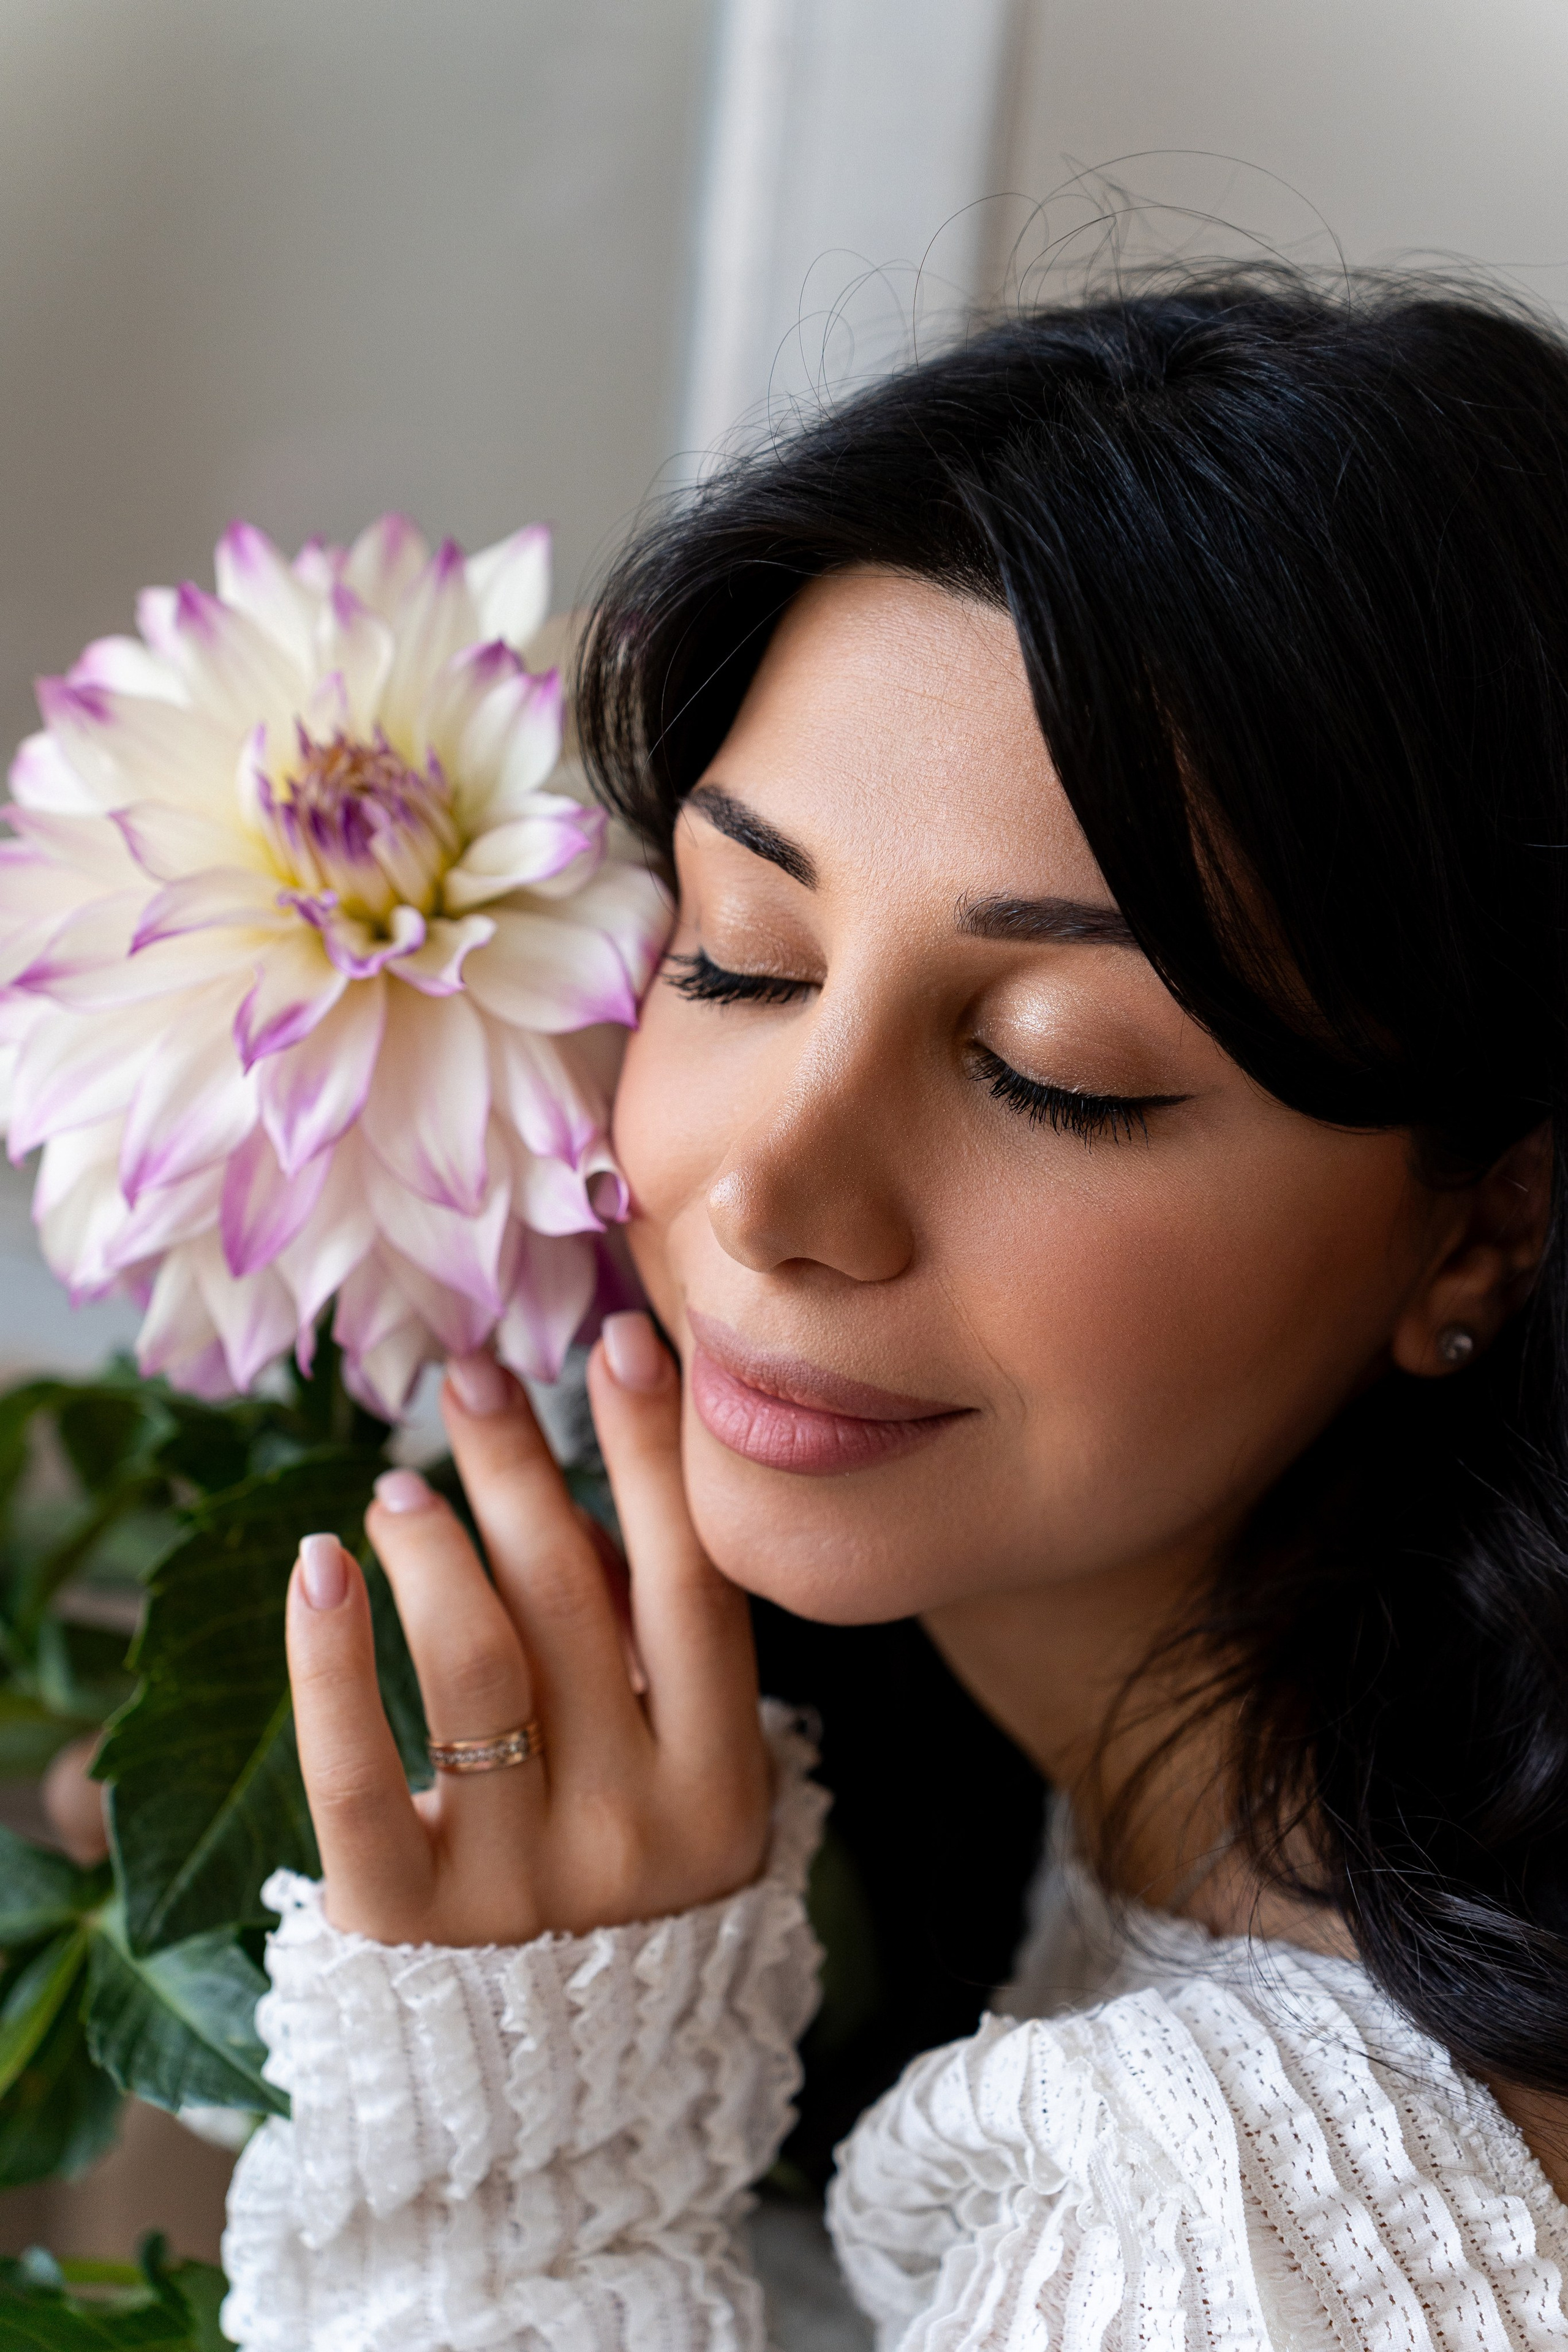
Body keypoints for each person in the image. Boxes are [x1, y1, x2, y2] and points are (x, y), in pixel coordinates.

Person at [221, 272, 1568, 2350]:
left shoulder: (1233, 2218)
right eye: (744, 957)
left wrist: (518, 2208)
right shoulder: (1204, 1894)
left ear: (1483, 1222)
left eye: (1058, 1066)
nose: (768, 1191)